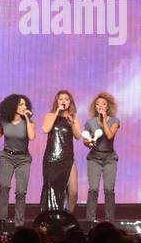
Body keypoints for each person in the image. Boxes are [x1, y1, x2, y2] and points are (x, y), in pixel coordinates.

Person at [0, 94, 36, 225]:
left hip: (23, 159)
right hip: (7, 156)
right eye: (20, 104)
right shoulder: (4, 120)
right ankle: (2, 220)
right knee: (4, 186)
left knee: (21, 192)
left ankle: (19, 223)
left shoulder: (29, 123)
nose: (23, 106)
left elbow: (32, 137)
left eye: (25, 104)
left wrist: (27, 117)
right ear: (13, 105)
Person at [82, 92, 121, 224]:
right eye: (98, 104)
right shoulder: (90, 123)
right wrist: (89, 142)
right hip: (94, 158)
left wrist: (104, 120)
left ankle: (110, 221)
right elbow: (85, 140)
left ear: (108, 107)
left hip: (110, 158)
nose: (100, 106)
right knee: (93, 189)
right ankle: (89, 221)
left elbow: (109, 136)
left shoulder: (114, 121)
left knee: (109, 190)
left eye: (103, 104)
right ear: (95, 106)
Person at [39, 90, 79, 213]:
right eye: (61, 98)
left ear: (70, 102)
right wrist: (56, 112)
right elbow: (46, 129)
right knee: (51, 189)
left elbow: (78, 136)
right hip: (52, 159)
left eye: (66, 99)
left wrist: (72, 124)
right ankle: (51, 217)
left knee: (73, 191)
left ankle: (69, 216)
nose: (63, 101)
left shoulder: (73, 119)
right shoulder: (50, 116)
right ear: (57, 101)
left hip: (67, 158)